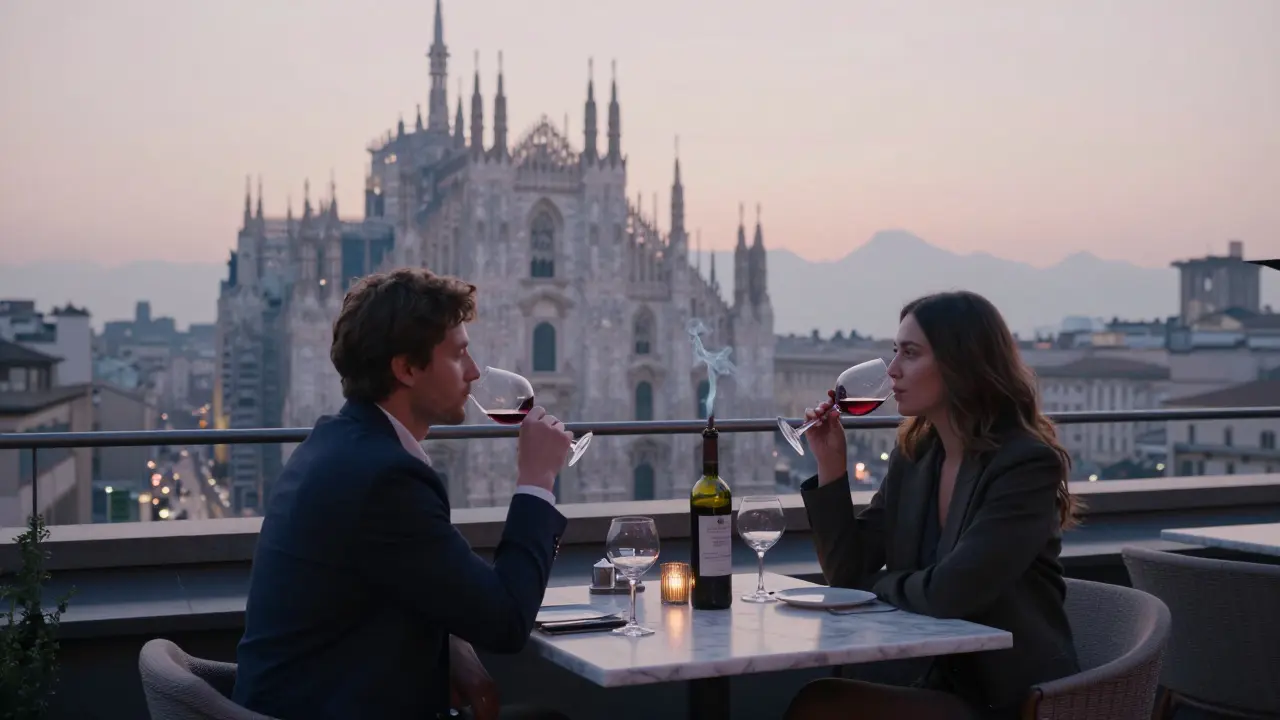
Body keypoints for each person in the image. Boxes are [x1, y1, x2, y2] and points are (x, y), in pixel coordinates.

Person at [233, 268, 572, 720]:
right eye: (458, 356)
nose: (473, 373)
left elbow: (397, 581)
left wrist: (451, 645)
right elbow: (506, 620)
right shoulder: (384, 479)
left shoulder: (337, 442)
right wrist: (536, 481)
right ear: (406, 368)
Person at [784, 291, 1081, 720]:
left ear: (960, 364)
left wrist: (879, 584)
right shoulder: (917, 455)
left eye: (910, 353)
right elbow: (847, 573)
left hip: (1010, 696)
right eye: (894, 351)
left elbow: (949, 592)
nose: (892, 370)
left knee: (822, 706)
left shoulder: (1025, 465)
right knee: (824, 697)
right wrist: (831, 466)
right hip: (936, 679)